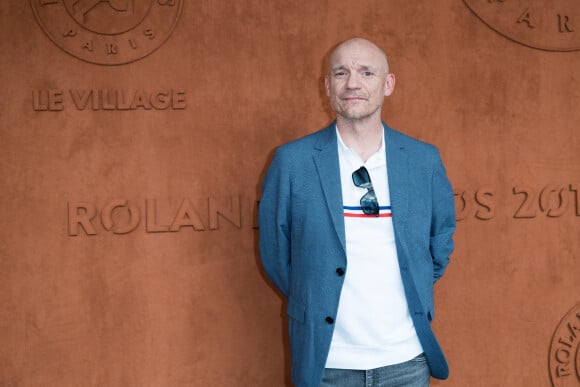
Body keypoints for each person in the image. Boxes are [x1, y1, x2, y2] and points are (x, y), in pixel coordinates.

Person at [258, 37, 456, 387]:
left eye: (366, 72)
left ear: (388, 84)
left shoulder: (423, 161)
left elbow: (438, 246)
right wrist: (314, 292)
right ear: (327, 86)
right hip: (327, 365)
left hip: (406, 362)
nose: (353, 83)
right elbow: (277, 257)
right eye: (341, 72)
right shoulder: (292, 163)